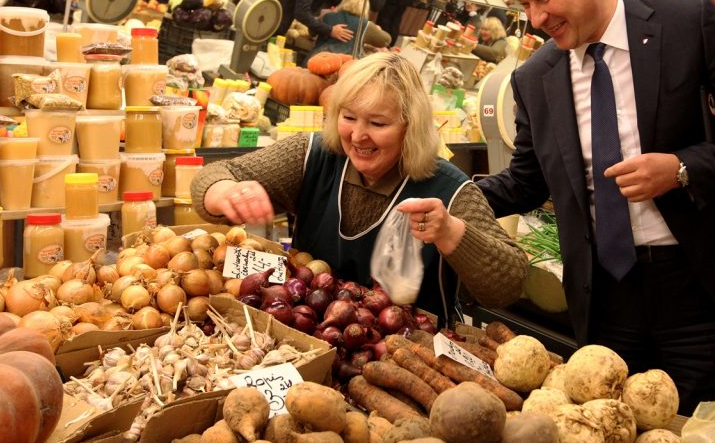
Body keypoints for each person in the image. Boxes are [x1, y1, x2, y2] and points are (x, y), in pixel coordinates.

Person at [475, 0, 715, 412]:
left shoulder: (689, 25)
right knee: (617, 434)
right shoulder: (535, 78)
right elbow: (526, 181)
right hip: (606, 301)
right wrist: (451, 192)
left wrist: (682, 168)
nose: (535, 19)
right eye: (524, 4)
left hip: (702, 288)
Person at [192, 53, 528, 323]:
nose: (357, 136)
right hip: (311, 337)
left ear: (409, 128)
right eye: (349, 117)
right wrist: (222, 190)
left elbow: (509, 283)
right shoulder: (313, 155)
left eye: (378, 123)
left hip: (412, 356)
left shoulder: (450, 189)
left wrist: (453, 233)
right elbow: (218, 174)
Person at [307, 0, 391, 59]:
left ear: (344, 2)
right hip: (344, 67)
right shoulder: (365, 25)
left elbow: (311, 32)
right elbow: (386, 40)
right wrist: (378, 30)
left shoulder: (327, 16)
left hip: (317, 58)